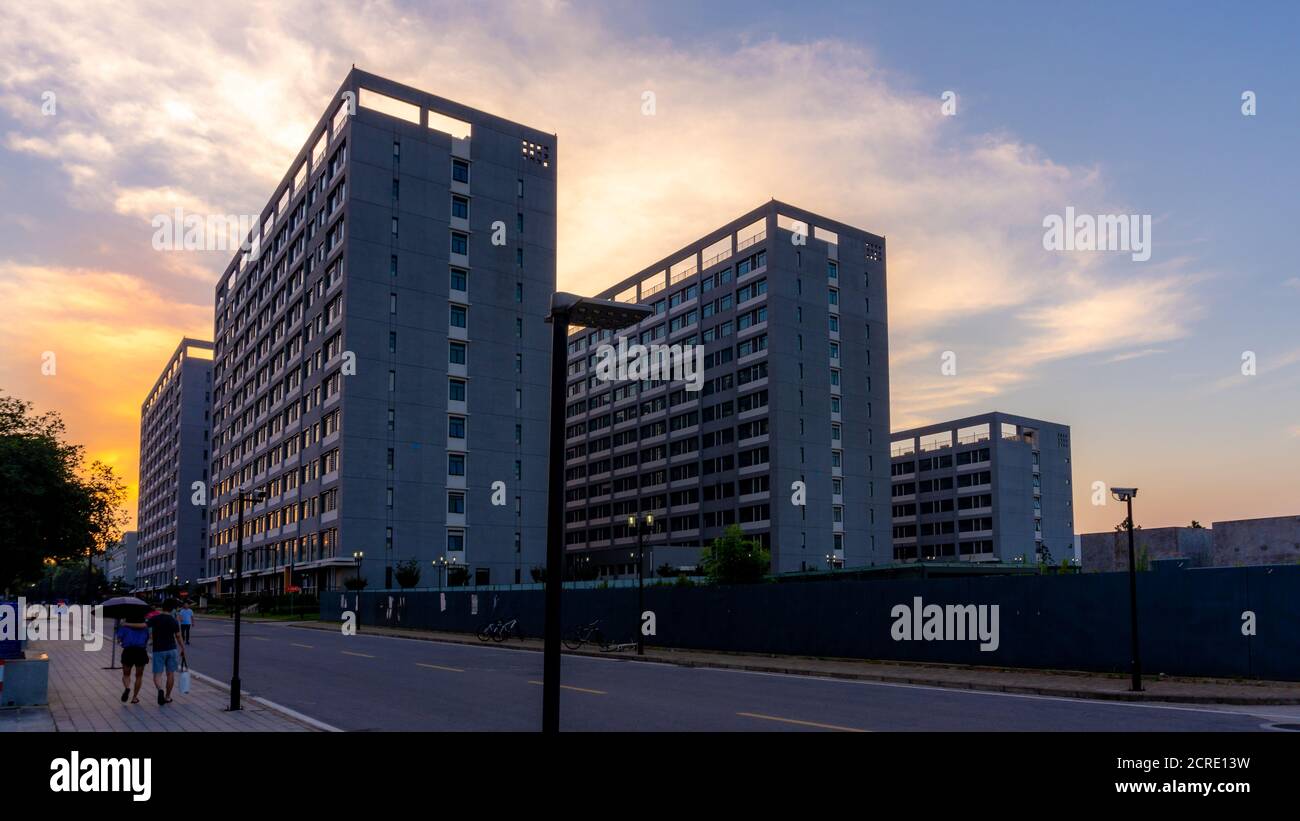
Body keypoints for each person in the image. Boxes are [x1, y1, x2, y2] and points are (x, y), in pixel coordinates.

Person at [127, 599, 186, 706]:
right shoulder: (173, 621)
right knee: (170, 674)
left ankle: (160, 690)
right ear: (172, 609)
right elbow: (178, 636)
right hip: (172, 649)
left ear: (162, 607)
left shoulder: (155, 618)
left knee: (157, 674)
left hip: (159, 650)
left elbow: (143, 626)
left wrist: (127, 624)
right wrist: (182, 648)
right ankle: (167, 697)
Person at [115, 619, 150, 704]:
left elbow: (119, 640)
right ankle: (134, 697)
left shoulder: (124, 626)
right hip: (140, 652)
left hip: (128, 651)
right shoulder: (144, 627)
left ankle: (127, 688)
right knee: (139, 676)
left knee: (126, 674)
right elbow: (147, 639)